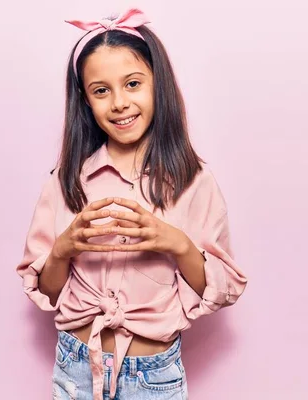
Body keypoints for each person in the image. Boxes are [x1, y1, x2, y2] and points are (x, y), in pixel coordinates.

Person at [16, 8, 248, 400]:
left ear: (159, 86)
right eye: (101, 91)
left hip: (153, 376)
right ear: (86, 102)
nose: (119, 103)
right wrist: (63, 249)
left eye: (133, 83)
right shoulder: (67, 180)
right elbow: (47, 292)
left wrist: (176, 242)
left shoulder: (194, 181)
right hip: (75, 368)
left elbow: (223, 289)